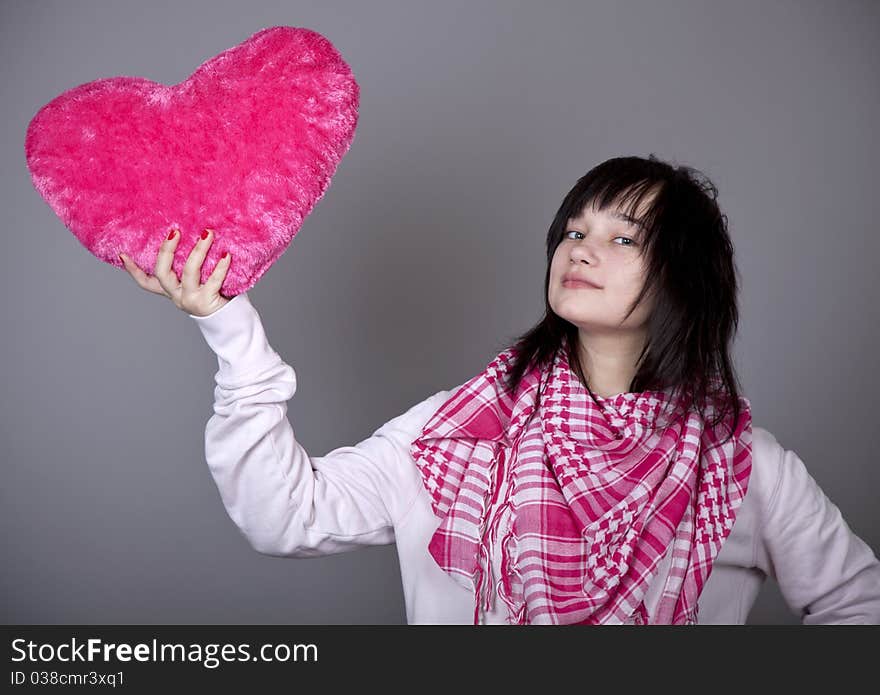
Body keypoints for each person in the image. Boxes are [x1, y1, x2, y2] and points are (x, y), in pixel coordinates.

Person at [120, 155, 880, 624]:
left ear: (684, 279)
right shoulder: (458, 433)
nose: (582, 249)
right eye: (574, 231)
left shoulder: (742, 467)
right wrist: (227, 326)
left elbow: (859, 606)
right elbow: (285, 516)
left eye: (624, 238)